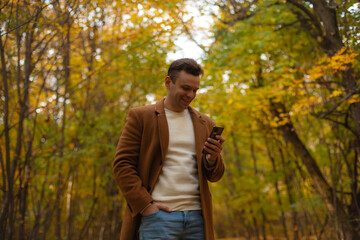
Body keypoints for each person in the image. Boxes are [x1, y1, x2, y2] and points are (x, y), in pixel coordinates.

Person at [113, 58, 225, 240]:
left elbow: (215, 175)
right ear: (168, 82)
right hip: (158, 219)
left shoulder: (205, 123)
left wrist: (212, 159)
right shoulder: (141, 117)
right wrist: (146, 206)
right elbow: (122, 165)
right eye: (186, 88)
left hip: (198, 219)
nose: (191, 94)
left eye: (195, 90)